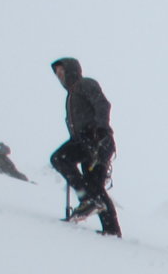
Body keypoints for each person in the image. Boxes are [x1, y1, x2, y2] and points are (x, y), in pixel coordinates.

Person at [49, 58, 120, 237]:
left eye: (62, 72)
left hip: (95, 139)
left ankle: (87, 199)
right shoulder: (72, 95)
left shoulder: (84, 84)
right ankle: (111, 230)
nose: (60, 77)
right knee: (95, 186)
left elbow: (102, 104)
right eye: (57, 74)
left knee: (60, 158)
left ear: (71, 70)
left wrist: (100, 129)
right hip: (93, 140)